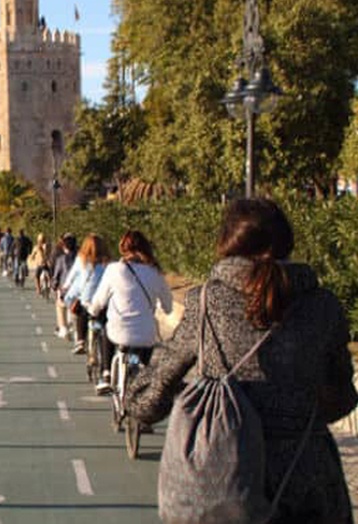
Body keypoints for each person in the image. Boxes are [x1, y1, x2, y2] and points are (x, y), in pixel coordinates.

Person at [126, 198, 357, 523]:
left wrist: (150, 400)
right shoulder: (324, 306)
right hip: (308, 481)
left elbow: (148, 398)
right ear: (287, 241)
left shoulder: (208, 303)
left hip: (226, 481)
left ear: (227, 243)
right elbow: (342, 400)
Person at [88, 230, 173, 393]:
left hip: (118, 332)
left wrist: (93, 310)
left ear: (123, 248)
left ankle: (106, 374)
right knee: (145, 362)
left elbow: (99, 300)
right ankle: (143, 385)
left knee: (106, 329)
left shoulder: (114, 269)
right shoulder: (155, 272)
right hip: (146, 335)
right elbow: (168, 307)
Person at [61, 234, 110, 358]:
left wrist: (65, 287)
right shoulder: (107, 261)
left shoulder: (81, 259)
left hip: (87, 300)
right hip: (103, 299)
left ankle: (81, 341)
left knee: (81, 312)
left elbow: (71, 277)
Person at [52, 233, 78, 339]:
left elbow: (56, 276)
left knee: (59, 305)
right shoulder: (81, 259)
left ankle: (63, 327)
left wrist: (54, 286)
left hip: (65, 291)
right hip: (78, 291)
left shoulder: (61, 259)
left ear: (64, 246)